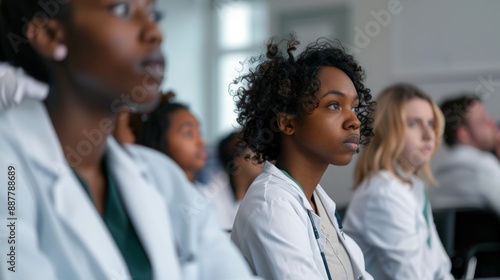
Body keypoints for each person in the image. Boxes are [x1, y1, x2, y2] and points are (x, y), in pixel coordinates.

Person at [0, 1, 257, 279]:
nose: (155, 32)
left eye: (153, 14)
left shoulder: (161, 177)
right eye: (121, 10)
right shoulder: (9, 171)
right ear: (51, 35)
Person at [230, 35, 375, 280]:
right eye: (333, 105)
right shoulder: (271, 204)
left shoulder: (316, 199)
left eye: (355, 107)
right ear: (288, 123)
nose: (354, 121)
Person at [343, 84, 453, 280]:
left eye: (430, 123)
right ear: (386, 130)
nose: (429, 135)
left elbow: (440, 268)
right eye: (413, 123)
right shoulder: (383, 195)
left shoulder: (413, 186)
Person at [429, 95, 500, 217]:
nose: (492, 123)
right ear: (463, 133)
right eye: (483, 120)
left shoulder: (438, 174)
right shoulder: (483, 165)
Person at [131, 96, 207, 183]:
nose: (202, 142)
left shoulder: (202, 191)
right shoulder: (150, 190)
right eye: (188, 133)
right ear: (159, 140)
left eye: (200, 133)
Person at [204, 131, 263, 230]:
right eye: (254, 147)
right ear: (236, 158)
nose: (262, 155)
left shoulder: (261, 192)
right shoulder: (210, 194)